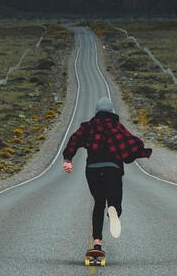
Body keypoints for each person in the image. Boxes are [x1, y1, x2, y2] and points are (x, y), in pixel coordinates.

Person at [63, 96, 152, 253]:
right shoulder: (116, 127)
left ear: (97, 111)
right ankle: (114, 210)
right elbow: (132, 143)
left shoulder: (88, 126)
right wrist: (139, 151)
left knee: (98, 203)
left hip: (92, 169)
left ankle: (97, 243)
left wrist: (68, 159)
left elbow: (74, 139)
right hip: (113, 169)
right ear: (111, 111)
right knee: (114, 200)